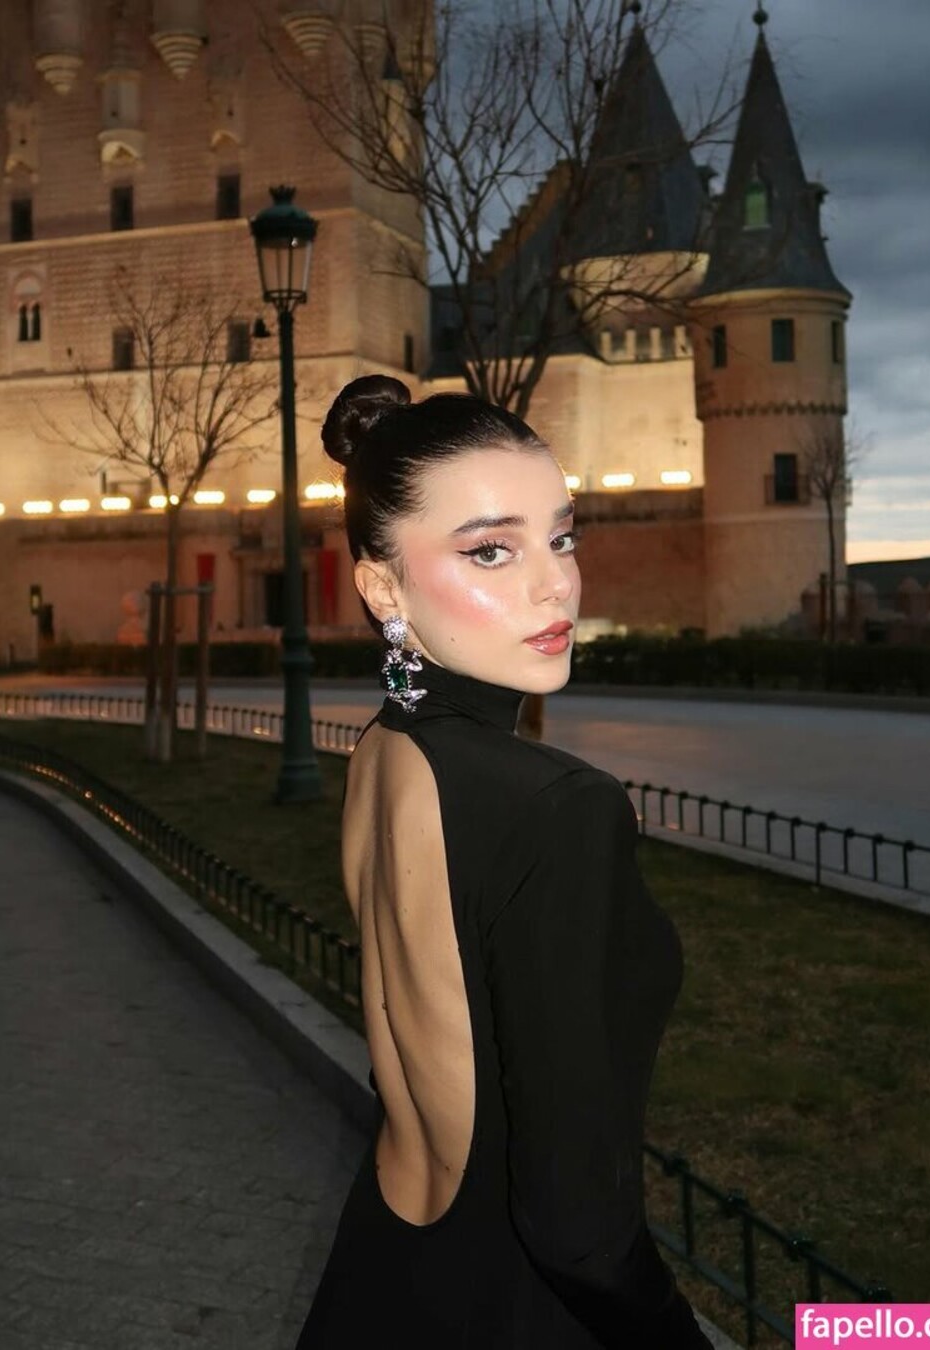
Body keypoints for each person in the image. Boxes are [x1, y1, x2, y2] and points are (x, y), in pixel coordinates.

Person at [294, 375, 714, 1349]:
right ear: (382, 589)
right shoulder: (559, 811)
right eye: (491, 549)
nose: (555, 584)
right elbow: (579, 1233)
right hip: (516, 1310)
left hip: (379, 1276)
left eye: (560, 538)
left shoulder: (381, 753)